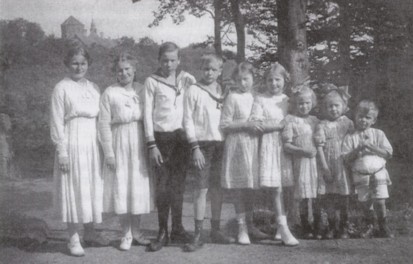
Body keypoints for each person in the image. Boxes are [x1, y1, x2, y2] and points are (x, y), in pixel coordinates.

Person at [50, 45, 108, 257]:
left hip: (92, 141)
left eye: (83, 63)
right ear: (67, 64)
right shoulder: (61, 88)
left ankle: (90, 233)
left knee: (91, 186)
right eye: (74, 63)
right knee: (74, 188)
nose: (79, 67)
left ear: (88, 64)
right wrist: (62, 151)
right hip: (72, 141)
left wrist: (104, 146)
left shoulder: (94, 87)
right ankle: (73, 237)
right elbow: (56, 122)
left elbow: (102, 118)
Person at [144, 42, 196, 252]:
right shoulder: (151, 82)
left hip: (181, 140)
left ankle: (178, 229)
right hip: (161, 139)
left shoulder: (185, 80)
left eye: (173, 60)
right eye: (165, 60)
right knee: (163, 187)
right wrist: (152, 144)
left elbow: (196, 91)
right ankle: (162, 231)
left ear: (179, 61)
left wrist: (188, 77)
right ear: (159, 60)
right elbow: (147, 114)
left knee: (178, 187)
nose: (168, 64)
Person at [98, 52, 151, 251]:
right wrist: (109, 152)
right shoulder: (109, 92)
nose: (124, 73)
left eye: (127, 69)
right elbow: (103, 124)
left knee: (137, 186)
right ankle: (125, 233)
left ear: (134, 70)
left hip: (138, 138)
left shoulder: (143, 89)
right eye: (120, 70)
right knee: (122, 186)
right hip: (119, 138)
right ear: (115, 72)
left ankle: (136, 231)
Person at [182, 54, 234, 252]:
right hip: (201, 146)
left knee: (217, 189)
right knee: (201, 189)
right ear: (200, 70)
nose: (209, 73)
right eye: (206, 69)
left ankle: (215, 230)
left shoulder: (224, 91)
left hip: (221, 144)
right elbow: (187, 120)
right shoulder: (193, 90)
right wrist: (195, 148)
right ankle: (197, 233)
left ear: (220, 71)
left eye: (214, 69)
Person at [249, 62, 299, 246]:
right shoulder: (260, 99)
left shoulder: (288, 100)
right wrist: (278, 126)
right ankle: (283, 228)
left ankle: (282, 226)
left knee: (287, 187)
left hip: (287, 146)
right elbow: (256, 124)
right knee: (276, 188)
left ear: (284, 81)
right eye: (270, 80)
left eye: (277, 80)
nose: (273, 84)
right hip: (270, 145)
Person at [220, 62, 262, 245]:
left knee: (251, 187)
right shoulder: (232, 97)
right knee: (239, 188)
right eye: (239, 80)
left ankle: (251, 224)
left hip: (252, 145)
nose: (243, 83)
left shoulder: (256, 97)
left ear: (253, 79)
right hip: (237, 145)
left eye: (246, 79)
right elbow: (225, 124)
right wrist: (246, 125)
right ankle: (241, 227)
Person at [342, 100, 394, 238]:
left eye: (367, 118)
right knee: (365, 202)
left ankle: (383, 226)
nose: (363, 120)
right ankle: (369, 225)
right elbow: (346, 158)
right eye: (360, 116)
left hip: (378, 173)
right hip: (361, 174)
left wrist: (371, 146)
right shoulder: (350, 137)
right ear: (355, 116)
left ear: (374, 120)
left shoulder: (378, 134)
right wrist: (358, 149)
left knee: (380, 200)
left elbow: (388, 153)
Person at [314, 84, 354, 239]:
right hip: (328, 164)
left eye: (337, 106)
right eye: (329, 106)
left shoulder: (348, 123)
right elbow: (319, 147)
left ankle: (344, 226)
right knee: (329, 196)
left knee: (344, 196)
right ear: (324, 108)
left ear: (343, 106)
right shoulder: (322, 125)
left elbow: (353, 142)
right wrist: (324, 168)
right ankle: (332, 225)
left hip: (343, 164)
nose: (333, 109)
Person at [282, 85, 320, 239]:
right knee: (303, 194)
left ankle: (318, 224)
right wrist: (302, 151)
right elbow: (286, 145)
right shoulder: (291, 120)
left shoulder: (315, 120)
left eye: (307, 103)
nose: (304, 107)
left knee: (316, 193)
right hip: (301, 161)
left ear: (312, 103)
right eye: (300, 104)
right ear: (295, 104)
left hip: (316, 162)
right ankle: (304, 224)